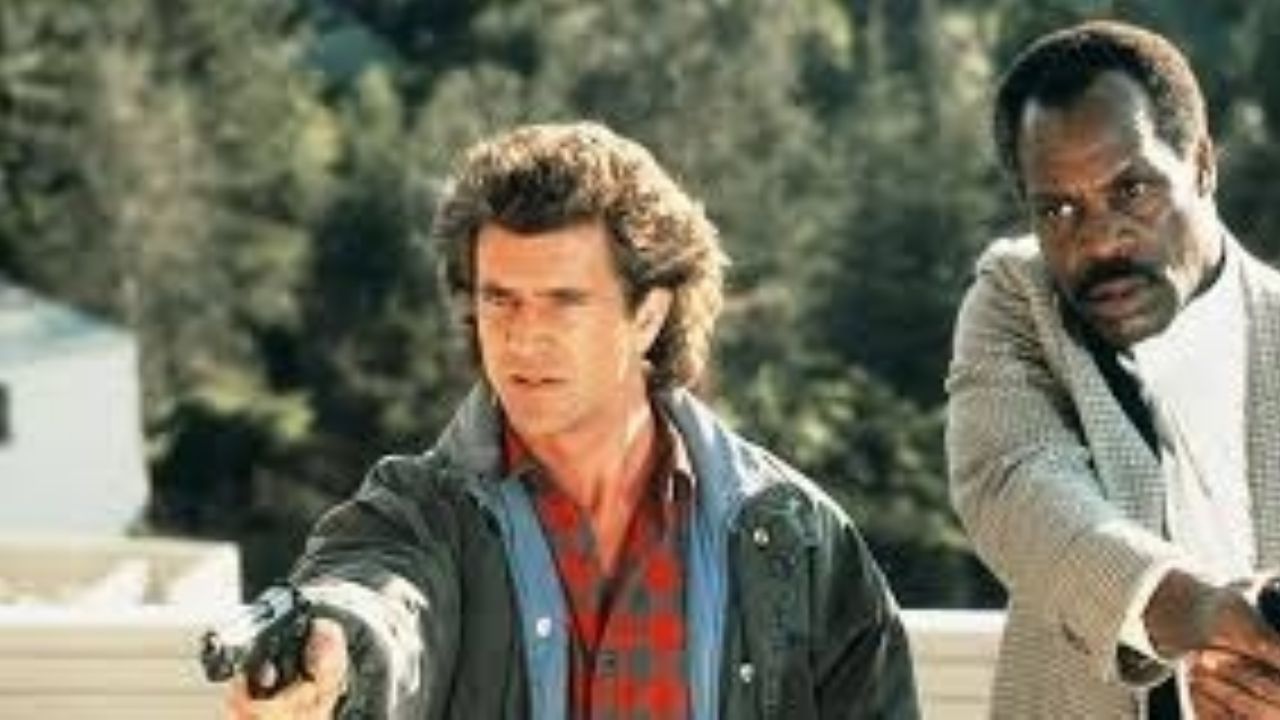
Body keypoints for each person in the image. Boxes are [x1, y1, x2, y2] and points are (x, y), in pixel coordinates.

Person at [226, 121, 919, 719]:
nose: (523, 337)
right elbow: (376, 593)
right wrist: (336, 649)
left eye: (563, 302)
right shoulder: (418, 513)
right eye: (501, 300)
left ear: (649, 315)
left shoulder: (795, 538)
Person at [947, 18, 1280, 719]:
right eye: (1059, 209)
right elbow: (1018, 485)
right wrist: (1197, 612)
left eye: (1132, 191)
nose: (1099, 240)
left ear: (1202, 165)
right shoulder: (1018, 299)